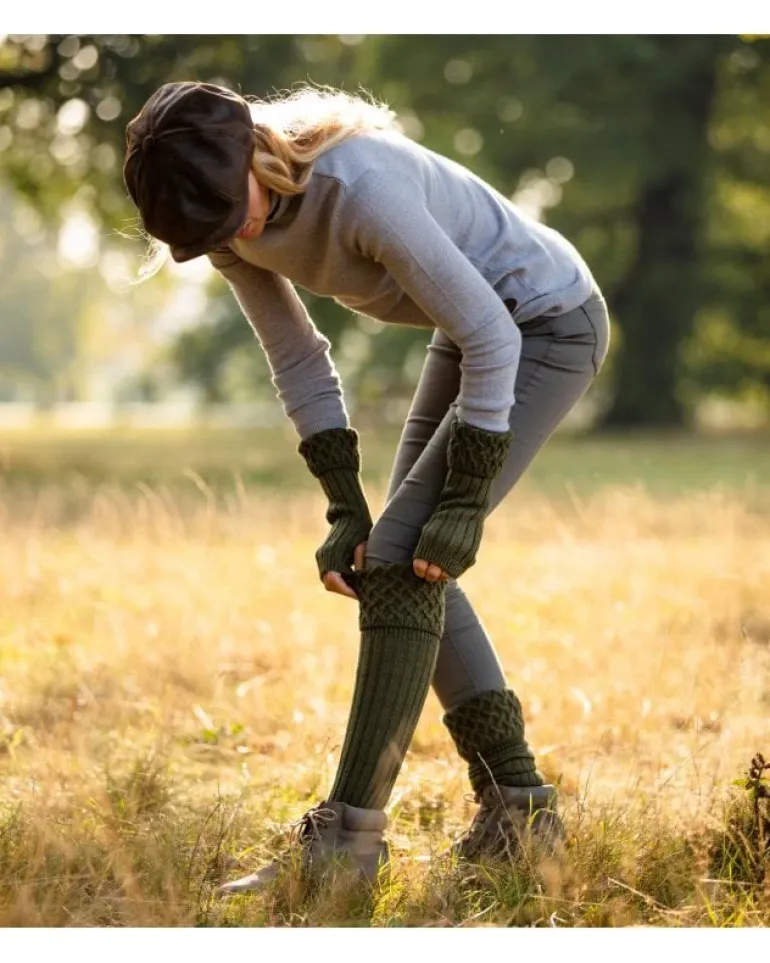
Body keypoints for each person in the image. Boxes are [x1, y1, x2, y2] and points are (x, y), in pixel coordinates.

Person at [122, 80, 610, 893]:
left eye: (228, 212)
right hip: (468, 328)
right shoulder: (221, 217)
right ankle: (521, 813)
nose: (234, 233)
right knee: (402, 559)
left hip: (542, 324)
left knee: (403, 560)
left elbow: (493, 331)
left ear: (251, 154)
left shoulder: (360, 187)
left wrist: (464, 499)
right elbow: (299, 358)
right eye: (210, 230)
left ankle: (346, 846)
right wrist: (343, 500)